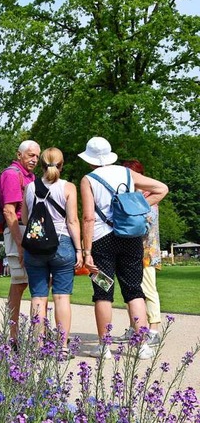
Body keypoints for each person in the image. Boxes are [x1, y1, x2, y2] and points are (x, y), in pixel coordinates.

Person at [79, 137, 168, 360]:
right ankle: (142, 345)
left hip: (101, 241)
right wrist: (138, 206)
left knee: (103, 292)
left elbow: (89, 217)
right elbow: (161, 188)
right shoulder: (127, 174)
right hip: (130, 238)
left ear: (90, 159)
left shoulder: (88, 179)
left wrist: (86, 250)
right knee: (134, 290)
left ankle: (104, 346)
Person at [21, 147, 83, 356]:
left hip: (35, 246)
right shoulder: (68, 187)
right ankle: (63, 347)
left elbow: (24, 219)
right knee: (61, 297)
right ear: (61, 164)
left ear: (41, 165)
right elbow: (72, 221)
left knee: (38, 298)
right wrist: (80, 250)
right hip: (62, 243)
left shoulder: (30, 188)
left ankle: (38, 347)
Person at [114, 160, 162, 345]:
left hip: (146, 252)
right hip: (130, 251)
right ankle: (135, 328)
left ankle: (154, 330)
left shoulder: (150, 198)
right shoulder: (132, 197)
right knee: (132, 292)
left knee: (148, 291)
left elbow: (145, 225)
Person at [0, 139, 40, 344]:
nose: (34, 159)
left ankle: (33, 333)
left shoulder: (29, 177)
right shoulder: (12, 175)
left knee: (30, 283)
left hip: (29, 230)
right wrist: (21, 243)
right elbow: (9, 211)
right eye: (31, 155)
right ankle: (13, 336)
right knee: (19, 283)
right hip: (19, 231)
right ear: (19, 155)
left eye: (37, 156)